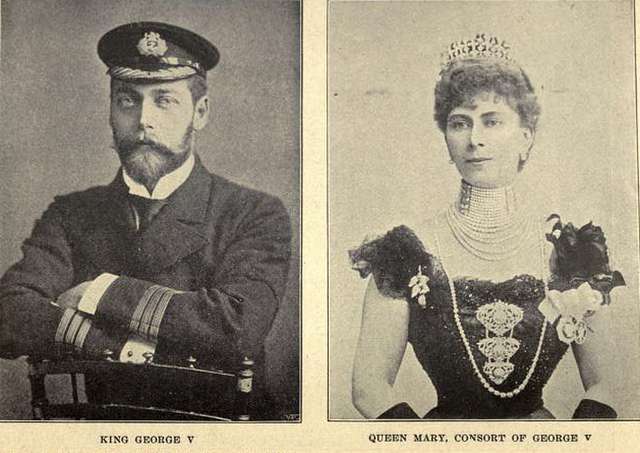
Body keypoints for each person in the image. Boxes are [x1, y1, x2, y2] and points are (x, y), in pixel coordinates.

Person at [0, 22, 292, 420]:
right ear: (110, 111)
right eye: (127, 100)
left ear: (200, 112)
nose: (143, 120)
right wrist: (123, 348)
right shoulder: (71, 214)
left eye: (164, 101)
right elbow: (10, 313)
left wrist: (97, 293)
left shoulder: (253, 213)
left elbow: (237, 328)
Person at [349, 34, 624, 419]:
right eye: (460, 123)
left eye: (492, 121)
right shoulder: (404, 251)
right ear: (446, 139)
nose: (475, 139)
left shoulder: (574, 251)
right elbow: (368, 386)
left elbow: (609, 380)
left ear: (526, 138)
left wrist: (573, 442)